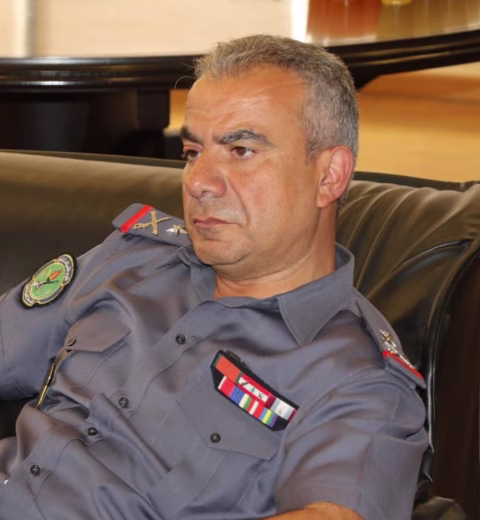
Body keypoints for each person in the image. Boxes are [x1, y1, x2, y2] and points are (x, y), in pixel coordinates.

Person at [0, 35, 427, 519]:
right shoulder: (130, 259)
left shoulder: (356, 378)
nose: (199, 181)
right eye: (192, 151)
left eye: (240, 150)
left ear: (329, 176)